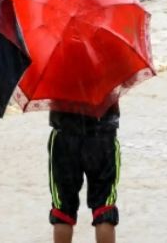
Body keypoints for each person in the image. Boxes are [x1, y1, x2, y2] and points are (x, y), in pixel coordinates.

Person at [48, 104, 121, 243]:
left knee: (62, 208)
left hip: (64, 134)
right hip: (103, 134)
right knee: (104, 206)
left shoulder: (55, 80)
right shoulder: (105, 79)